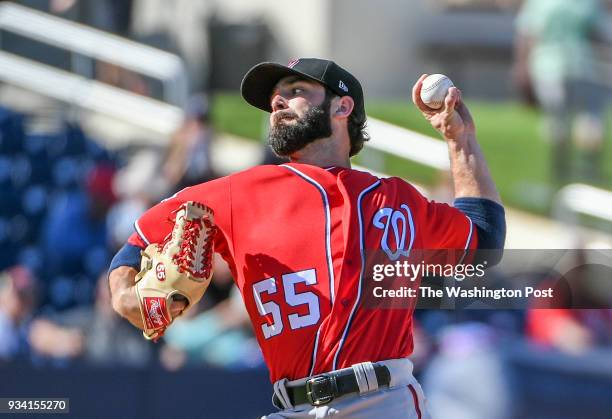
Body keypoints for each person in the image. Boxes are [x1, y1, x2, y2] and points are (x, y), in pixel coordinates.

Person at [108, 58, 505, 418]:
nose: (278, 102)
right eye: (275, 98)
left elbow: (483, 240)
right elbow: (136, 242)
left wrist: (459, 139)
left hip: (382, 401)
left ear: (342, 106)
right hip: (289, 407)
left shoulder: (398, 199)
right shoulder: (235, 193)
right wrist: (125, 292)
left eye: (296, 91)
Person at [513, 0, 609, 184]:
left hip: (548, 67)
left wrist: (522, 70)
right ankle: (587, 176)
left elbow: (527, 35)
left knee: (558, 124)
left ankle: (559, 176)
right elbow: (600, 35)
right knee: (589, 122)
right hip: (583, 66)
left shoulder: (539, 4)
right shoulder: (588, 4)